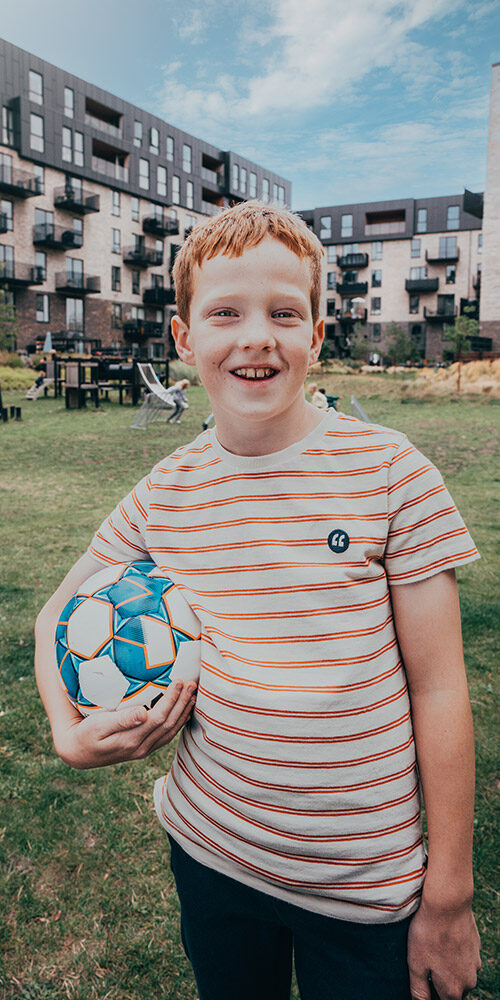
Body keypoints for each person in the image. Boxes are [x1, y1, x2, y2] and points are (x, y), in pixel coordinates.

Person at [35, 201, 481, 1000]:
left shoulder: (390, 473)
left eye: (283, 312)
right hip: (214, 859)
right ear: (184, 339)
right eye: (224, 313)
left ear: (315, 333)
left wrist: (448, 895)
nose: (255, 337)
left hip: (366, 891)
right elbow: (52, 617)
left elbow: (441, 687)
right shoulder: (163, 494)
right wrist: (69, 738)